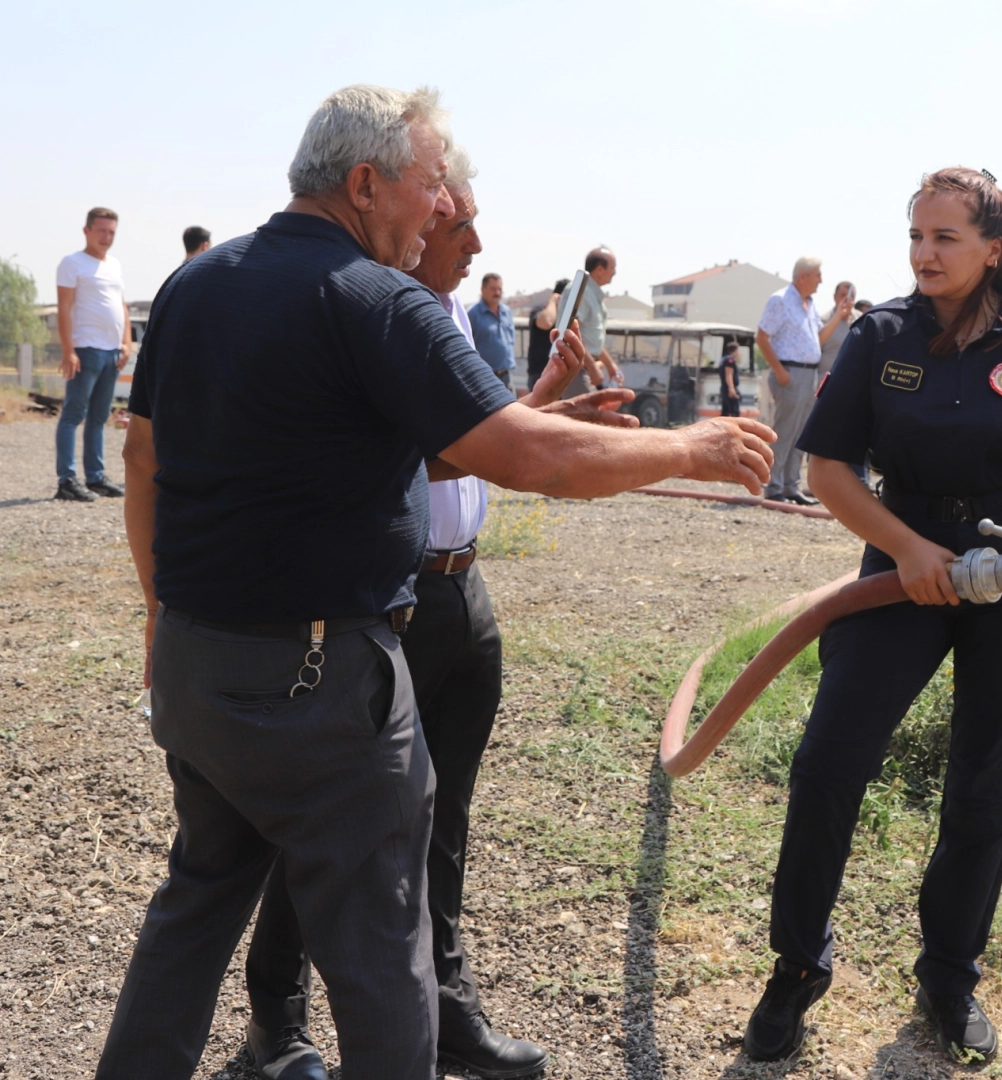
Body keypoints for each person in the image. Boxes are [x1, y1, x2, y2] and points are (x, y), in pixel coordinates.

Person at [99, 84, 774, 1080]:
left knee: (192, 912)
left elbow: (154, 459)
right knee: (380, 951)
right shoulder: (376, 300)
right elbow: (520, 459)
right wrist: (692, 445)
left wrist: (162, 620)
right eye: (431, 190)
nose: (440, 212)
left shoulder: (198, 286)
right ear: (365, 183)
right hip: (321, 681)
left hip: (201, 665)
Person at [237, 147, 629, 1080]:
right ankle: (276, 1025)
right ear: (410, 229)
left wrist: (545, 408)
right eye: (455, 226)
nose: (475, 241)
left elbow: (477, 440)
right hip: (391, 596)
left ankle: (447, 1010)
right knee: (327, 824)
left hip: (462, 590)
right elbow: (404, 459)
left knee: (441, 818)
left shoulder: (447, 310)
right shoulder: (371, 316)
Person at [741, 167, 1002, 1066]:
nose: (924, 253)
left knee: (983, 790)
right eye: (916, 235)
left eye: (945, 238)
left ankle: (948, 979)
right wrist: (906, 550)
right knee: (827, 762)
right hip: (899, 568)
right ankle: (795, 970)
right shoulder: (878, 335)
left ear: (993, 247)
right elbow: (828, 469)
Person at [54, 207, 132, 503]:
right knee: (74, 415)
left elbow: (121, 306)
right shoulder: (72, 263)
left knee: (99, 417)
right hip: (85, 350)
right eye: (101, 231)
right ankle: (67, 479)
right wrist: (68, 350)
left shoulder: (114, 265)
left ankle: (96, 477)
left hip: (112, 353)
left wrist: (126, 344)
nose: (106, 237)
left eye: (111, 232)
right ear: (87, 230)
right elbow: (64, 307)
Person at [757, 257, 850, 505]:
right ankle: (773, 485)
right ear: (803, 277)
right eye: (818, 274)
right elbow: (762, 336)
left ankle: (790, 485)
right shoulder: (780, 300)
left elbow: (819, 338)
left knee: (801, 434)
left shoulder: (808, 304)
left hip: (810, 374)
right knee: (785, 431)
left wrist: (839, 315)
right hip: (791, 373)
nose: (821, 280)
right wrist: (779, 371)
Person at [575, 246, 624, 392]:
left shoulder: (593, 296)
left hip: (587, 368)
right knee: (585, 414)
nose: (614, 272)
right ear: (600, 270)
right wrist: (591, 367)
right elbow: (572, 332)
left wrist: (611, 366)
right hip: (579, 369)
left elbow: (592, 341)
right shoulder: (582, 292)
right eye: (612, 267)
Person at [468, 272, 516, 390]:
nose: (497, 293)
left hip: (507, 377)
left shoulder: (506, 312)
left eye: (500, 289)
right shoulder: (473, 314)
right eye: (493, 289)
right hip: (485, 379)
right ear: (483, 289)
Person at [527, 278, 567, 392]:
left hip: (559, 373)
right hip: (539, 374)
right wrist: (554, 300)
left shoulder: (565, 314)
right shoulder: (541, 309)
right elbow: (547, 322)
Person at [817, 281, 857, 378]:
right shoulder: (823, 320)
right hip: (823, 381)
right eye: (843, 295)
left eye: (851, 296)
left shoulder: (861, 321)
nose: (847, 299)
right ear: (835, 296)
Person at [719, 341, 742, 417]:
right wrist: (731, 388)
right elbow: (729, 374)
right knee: (734, 412)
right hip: (729, 388)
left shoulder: (724, 359)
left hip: (725, 387)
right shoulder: (730, 360)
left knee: (726, 411)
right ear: (735, 350)